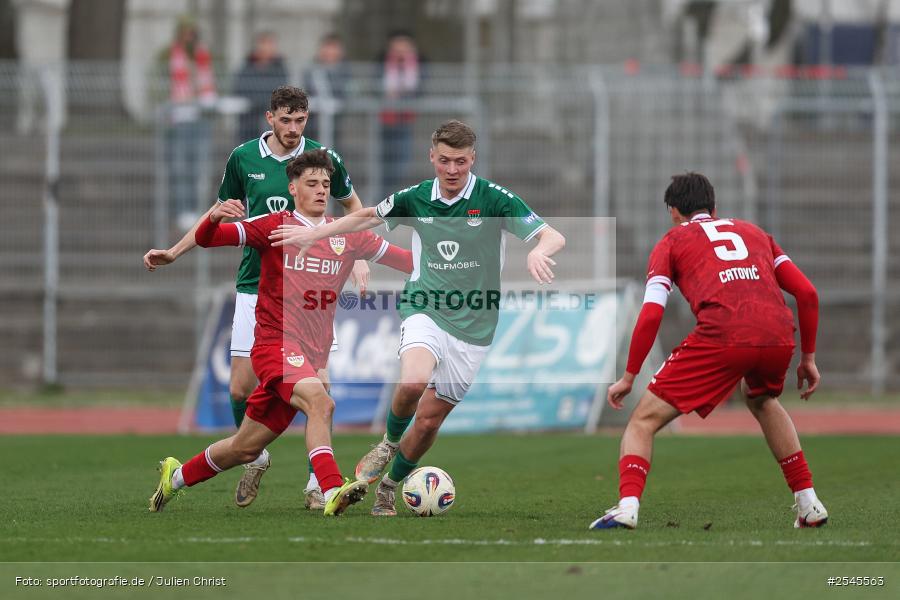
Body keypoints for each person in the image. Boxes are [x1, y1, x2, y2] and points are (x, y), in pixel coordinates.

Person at [268, 120, 566, 516]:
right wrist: (315, 235)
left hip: (475, 328)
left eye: (461, 161)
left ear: (472, 159)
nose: (453, 170)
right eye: (444, 160)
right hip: (424, 306)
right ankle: (389, 443)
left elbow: (551, 234)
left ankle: (389, 486)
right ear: (432, 157)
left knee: (426, 424)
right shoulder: (416, 197)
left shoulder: (495, 200)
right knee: (412, 381)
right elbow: (368, 215)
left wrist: (539, 250)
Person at [149, 149, 413, 516]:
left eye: (325, 184)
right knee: (322, 402)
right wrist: (212, 217)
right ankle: (331, 488)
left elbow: (407, 262)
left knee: (243, 447)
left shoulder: (347, 235)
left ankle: (174, 477)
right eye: (312, 183)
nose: (322, 190)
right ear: (292, 187)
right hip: (275, 344)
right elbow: (212, 239)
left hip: (311, 351)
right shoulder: (274, 225)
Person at [590, 172, 827, 530]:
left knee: (643, 420)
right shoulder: (756, 234)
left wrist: (629, 376)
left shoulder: (671, 242)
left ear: (673, 211)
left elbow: (652, 311)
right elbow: (807, 293)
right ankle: (808, 503)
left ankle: (627, 507)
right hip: (778, 333)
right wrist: (808, 358)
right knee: (762, 399)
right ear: (713, 207)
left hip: (724, 335)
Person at [161, 16, 218, 231]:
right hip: (180, 119)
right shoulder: (173, 57)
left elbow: (208, 83)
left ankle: (198, 210)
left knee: (198, 167)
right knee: (180, 167)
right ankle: (182, 209)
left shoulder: (203, 57)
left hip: (200, 118)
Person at [379, 31, 422, 198]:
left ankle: (395, 196)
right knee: (385, 160)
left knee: (402, 159)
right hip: (386, 119)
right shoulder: (383, 63)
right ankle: (384, 196)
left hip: (406, 119)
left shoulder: (418, 65)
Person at [233, 31, 289, 144]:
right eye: (263, 44)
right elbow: (240, 88)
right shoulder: (246, 67)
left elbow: (281, 91)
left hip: (273, 123)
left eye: (270, 44)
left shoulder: (280, 69)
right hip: (248, 123)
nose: (266, 48)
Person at [303, 33, 350, 143]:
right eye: (327, 47)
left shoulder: (345, 70)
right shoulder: (311, 69)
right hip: (314, 121)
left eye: (334, 48)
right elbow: (306, 90)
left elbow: (346, 92)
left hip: (336, 120)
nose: (330, 52)